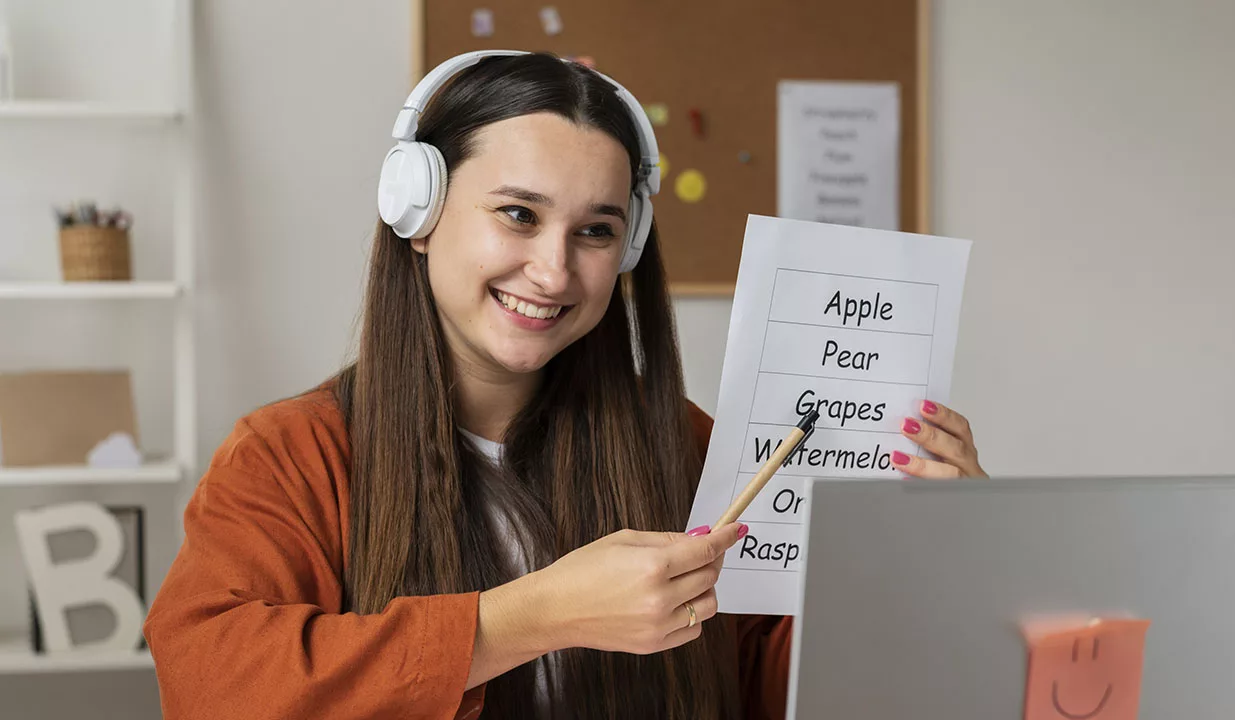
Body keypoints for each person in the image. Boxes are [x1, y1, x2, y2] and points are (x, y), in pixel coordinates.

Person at [143, 51, 986, 720]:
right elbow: (210, 687)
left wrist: (938, 555)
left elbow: (780, 685)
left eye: (595, 230)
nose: (553, 270)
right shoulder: (286, 458)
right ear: (419, 214)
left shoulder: (690, 448)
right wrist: (523, 620)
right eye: (518, 213)